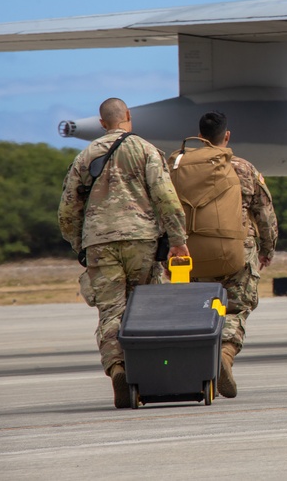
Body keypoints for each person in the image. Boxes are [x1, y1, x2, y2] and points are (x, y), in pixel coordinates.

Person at [58, 97, 190, 409]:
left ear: (102, 123)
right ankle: (149, 376)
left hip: (99, 243)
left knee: (110, 311)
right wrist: (177, 239)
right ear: (128, 116)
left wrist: (81, 244)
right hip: (141, 240)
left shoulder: (85, 155)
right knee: (145, 308)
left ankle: (117, 368)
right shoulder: (145, 150)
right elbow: (165, 197)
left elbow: (67, 210)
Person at [192, 111, 278, 399]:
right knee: (236, 308)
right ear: (226, 136)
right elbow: (265, 214)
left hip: (196, 253)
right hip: (238, 249)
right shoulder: (243, 168)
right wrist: (267, 248)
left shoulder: (181, 166)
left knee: (202, 309)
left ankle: (200, 369)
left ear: (200, 135)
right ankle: (225, 356)